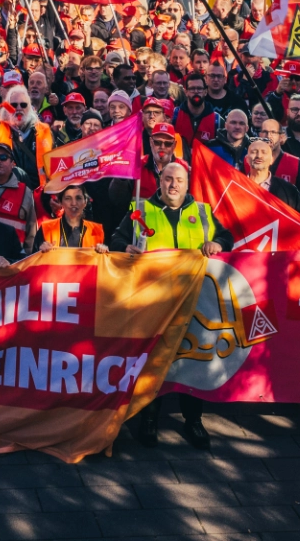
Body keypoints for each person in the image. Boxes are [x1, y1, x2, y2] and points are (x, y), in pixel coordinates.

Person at [117, 159, 220, 448]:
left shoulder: (202, 212)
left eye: (179, 180)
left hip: (194, 301)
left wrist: (218, 244)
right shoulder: (141, 210)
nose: (173, 184)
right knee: (155, 361)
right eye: (167, 179)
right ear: (159, 181)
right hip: (154, 301)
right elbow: (117, 238)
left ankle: (194, 421)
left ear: (188, 185)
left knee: (192, 362)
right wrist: (125, 247)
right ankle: (149, 420)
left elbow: (226, 238)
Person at [35, 184, 108, 250]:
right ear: (61, 202)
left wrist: (104, 254)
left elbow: (105, 263)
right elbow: (32, 261)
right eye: (68, 198)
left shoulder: (97, 230)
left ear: (85, 202)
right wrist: (39, 253)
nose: (73, 203)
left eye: (78, 198)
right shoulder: (46, 229)